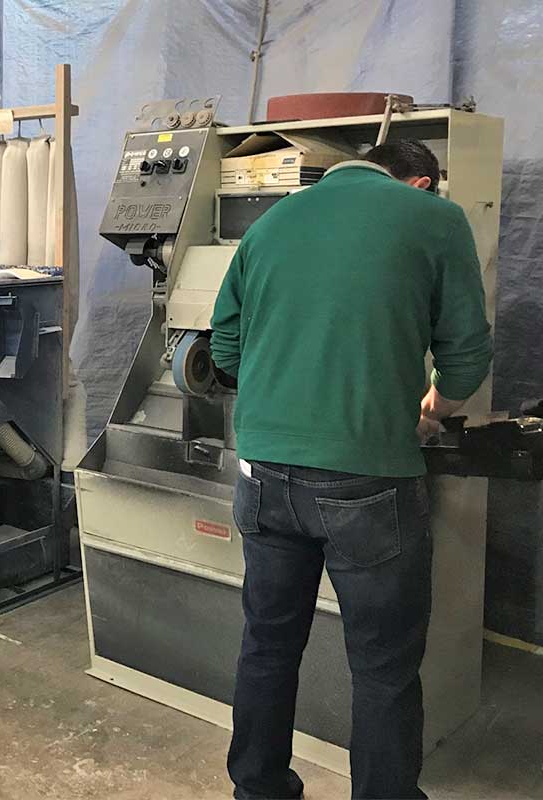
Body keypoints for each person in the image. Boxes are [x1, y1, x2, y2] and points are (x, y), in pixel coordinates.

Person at [210, 140, 492, 800]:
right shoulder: (436, 219)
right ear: (420, 183)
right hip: (369, 482)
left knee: (267, 645)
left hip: (262, 475)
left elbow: (224, 349)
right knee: (383, 666)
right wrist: (430, 411)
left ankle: (258, 788)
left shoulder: (271, 222)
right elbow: (466, 359)